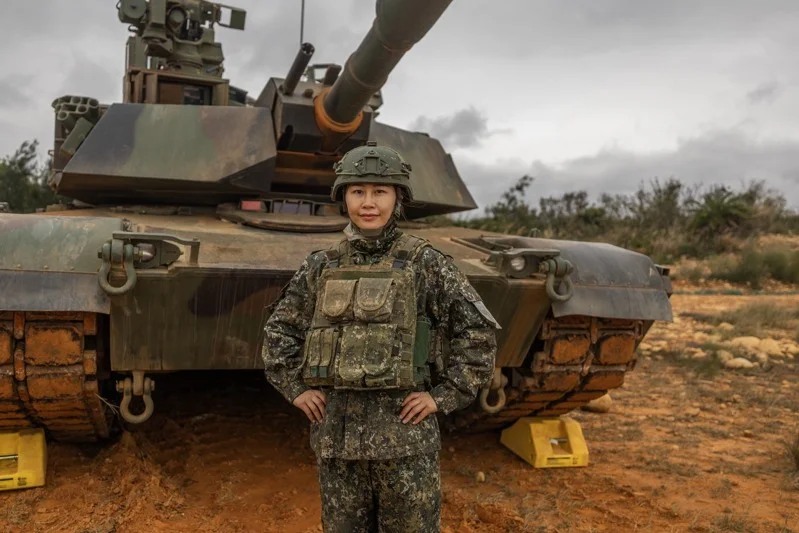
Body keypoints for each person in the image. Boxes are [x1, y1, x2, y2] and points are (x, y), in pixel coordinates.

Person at [262, 141, 499, 533]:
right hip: (338, 443)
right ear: (344, 197)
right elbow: (280, 330)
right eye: (358, 191)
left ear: (398, 197)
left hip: (405, 443)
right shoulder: (322, 264)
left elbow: (477, 330)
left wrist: (443, 395)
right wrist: (295, 388)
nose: (368, 203)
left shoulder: (425, 263)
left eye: (380, 192)